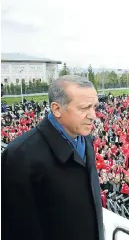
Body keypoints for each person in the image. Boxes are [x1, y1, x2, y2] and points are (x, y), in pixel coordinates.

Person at [2, 76, 103, 240]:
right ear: (56, 109)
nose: (93, 115)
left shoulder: (84, 138)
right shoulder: (20, 156)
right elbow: (18, 229)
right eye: (84, 108)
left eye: (94, 107)